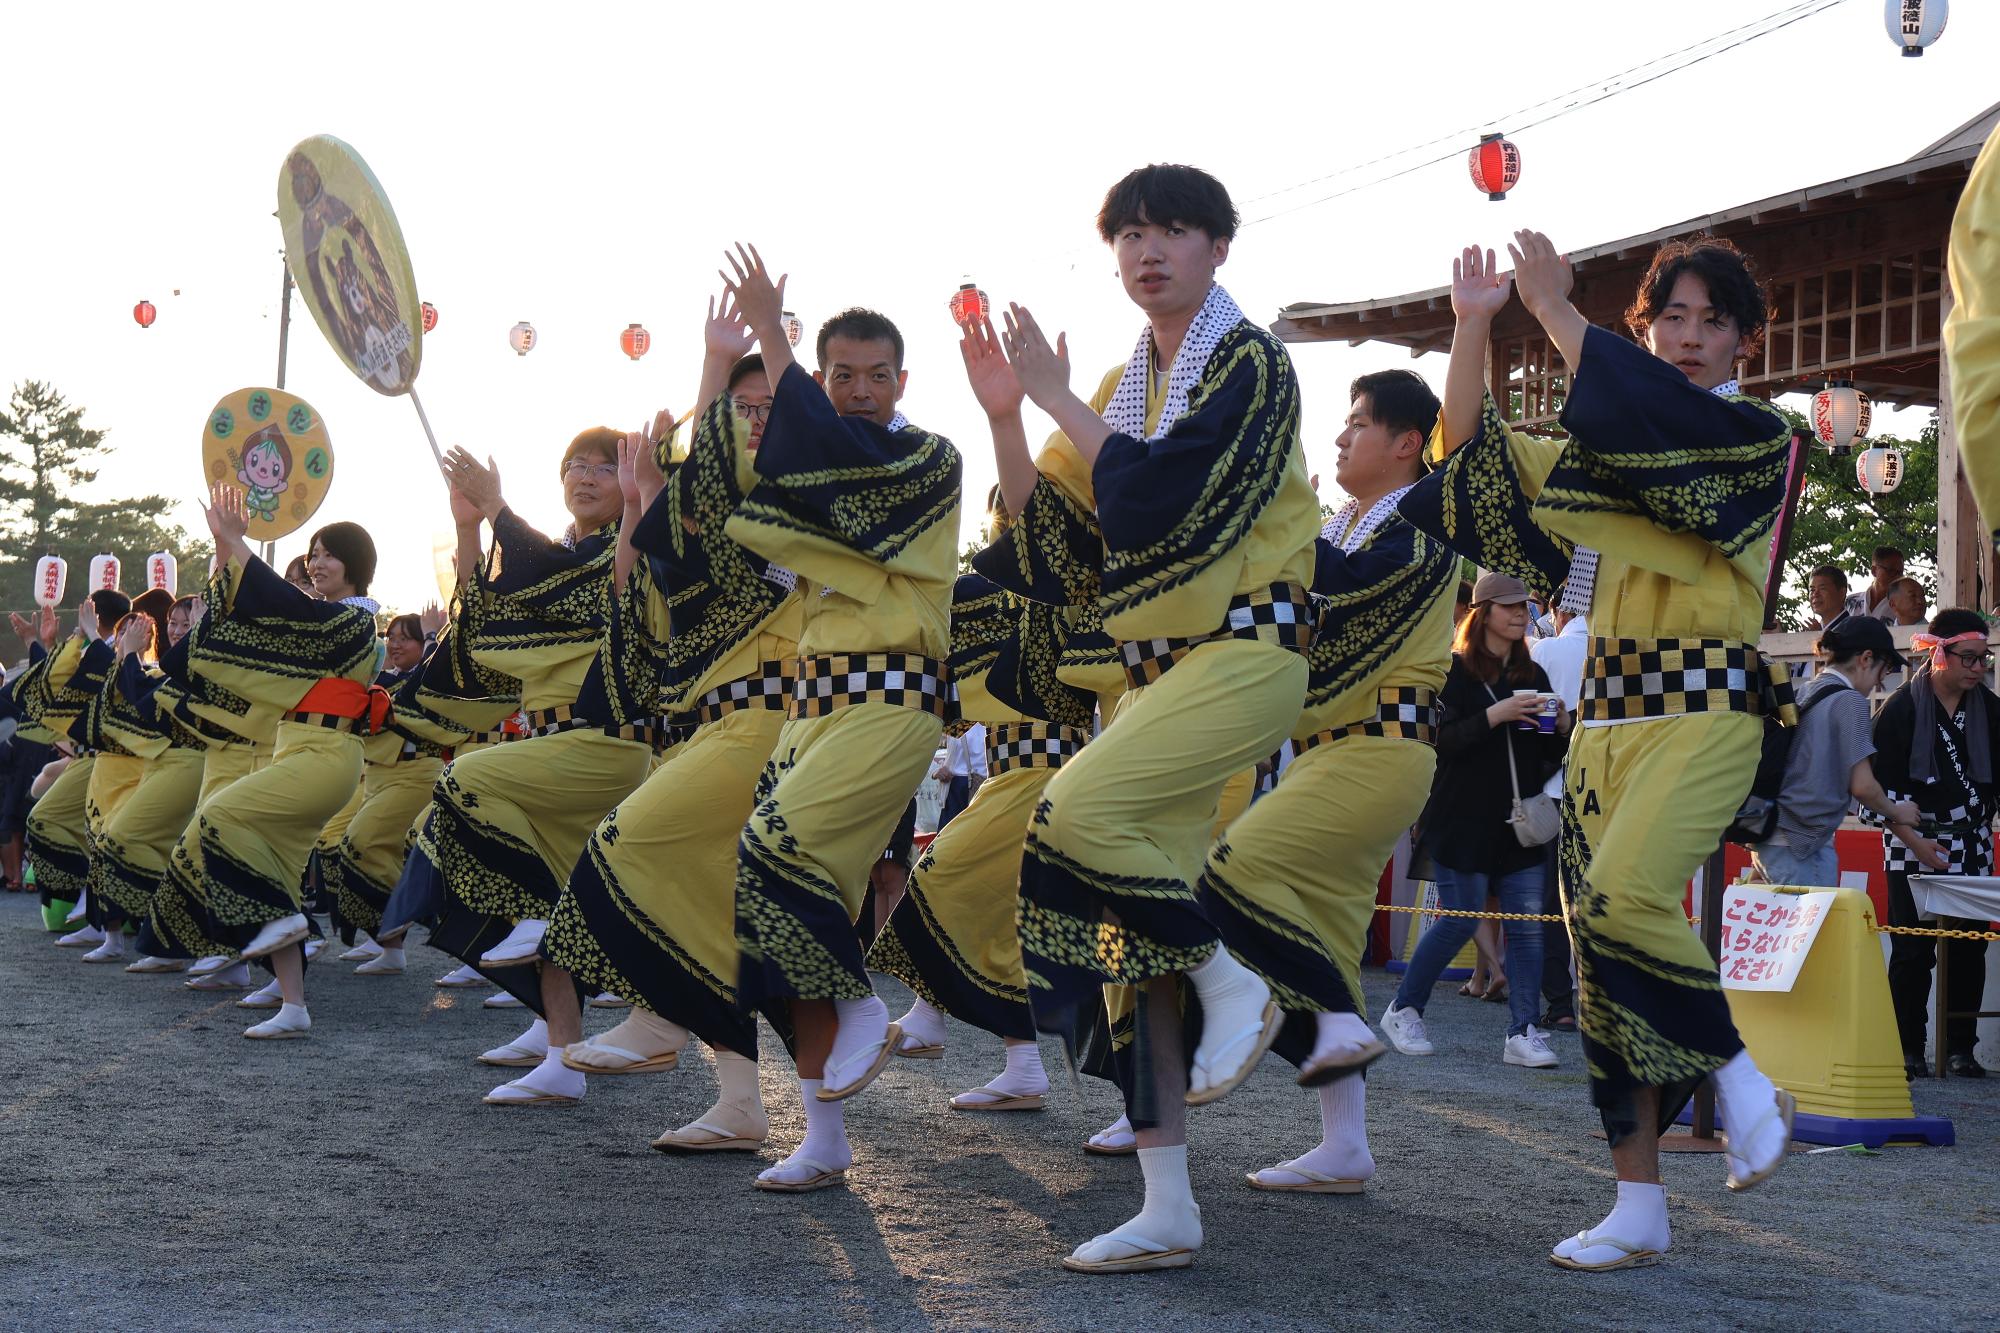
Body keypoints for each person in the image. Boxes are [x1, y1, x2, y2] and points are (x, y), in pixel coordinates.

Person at [1401, 233, 1798, 1271]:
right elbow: (1472, 460)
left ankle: (1738, 1076)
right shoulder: (1603, 458)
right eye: (1672, 317)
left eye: (1713, 321)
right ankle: (1636, 1201)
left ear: (1745, 341)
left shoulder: (1758, 436)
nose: (1690, 337)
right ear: (1644, 327)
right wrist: (1475, 325)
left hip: (1704, 707)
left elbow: (1656, 427)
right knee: (1604, 977)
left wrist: (1555, 314)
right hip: (1603, 724)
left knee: (1622, 899)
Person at [985, 163, 1318, 1272]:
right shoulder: (1135, 382)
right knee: (1131, 945)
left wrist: (1050, 398)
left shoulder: (1247, 362)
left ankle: (1234, 977)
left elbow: (1157, 494)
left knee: (1069, 813)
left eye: (1172, 229)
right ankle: (1166, 1200)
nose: (1147, 249)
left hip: (1243, 648)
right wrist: (1004, 417)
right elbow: (1052, 545)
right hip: (1155, 675)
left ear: (1218, 247)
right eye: (1128, 232)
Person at [719, 249, 962, 1193]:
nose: (860, 392)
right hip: (811, 708)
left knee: (775, 857)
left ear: (904, 381)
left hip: (891, 699)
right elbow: (745, 498)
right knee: (779, 908)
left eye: (877, 376)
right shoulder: (813, 475)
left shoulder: (925, 458)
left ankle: (866, 999)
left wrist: (776, 339)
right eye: (842, 377)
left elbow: (832, 456)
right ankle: (823, 1133)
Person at [1192, 366, 1457, 1198]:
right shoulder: (1349, 521)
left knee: (1233, 870)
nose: (1340, 437)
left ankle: (1309, 1023)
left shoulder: (1421, 523)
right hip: (1334, 751)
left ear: (1406, 443)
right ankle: (1345, 1144)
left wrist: (1283, 520)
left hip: (1379, 748)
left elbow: (1335, 593)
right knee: (1333, 946)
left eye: (1356, 424)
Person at [540, 332, 798, 1155]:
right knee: (703, 910)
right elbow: (635, 595)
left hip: (766, 715)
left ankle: (657, 1016)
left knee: (627, 843)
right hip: (701, 726)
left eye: (765, 408)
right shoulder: (694, 511)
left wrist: (717, 370)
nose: (749, 422)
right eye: (738, 410)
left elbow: (718, 524)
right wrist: (640, 495)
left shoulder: (796, 489)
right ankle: (741, 1102)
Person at [419, 424, 660, 1101]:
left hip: (601, 744)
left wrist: (499, 508)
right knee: (545, 896)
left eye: (603, 468)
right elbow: (477, 623)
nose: (584, 476)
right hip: (555, 746)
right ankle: (559, 1050)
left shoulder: (626, 549)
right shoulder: (556, 556)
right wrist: (469, 526)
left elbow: (564, 582)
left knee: (462, 785)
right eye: (574, 465)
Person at [143, 494, 383, 1038]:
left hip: (326, 756)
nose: (317, 564)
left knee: (220, 818)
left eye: (329, 556)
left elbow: (291, 610)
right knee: (277, 871)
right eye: (313, 554)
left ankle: (286, 928)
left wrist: (236, 544)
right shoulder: (321, 619)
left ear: (357, 566)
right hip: (298, 751)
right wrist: (226, 550)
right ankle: (292, 1002)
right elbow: (246, 628)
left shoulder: (355, 622)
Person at [1382, 571, 1567, 1069]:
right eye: (1508, 606)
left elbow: (1547, 756)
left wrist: (1559, 726)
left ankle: (1524, 1030)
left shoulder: (1534, 674)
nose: (1519, 613)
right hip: (1460, 818)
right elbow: (1440, 741)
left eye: (1523, 606)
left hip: (1518, 820)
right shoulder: (1453, 672)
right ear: (1483, 613)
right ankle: (1403, 1008)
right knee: (1459, 919)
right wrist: (1497, 714)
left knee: (1527, 928)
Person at [1869, 608, 1999, 1080]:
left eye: (1983, 658)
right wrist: (1916, 843)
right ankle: (1907, 1048)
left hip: (1973, 842)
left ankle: (1960, 1048)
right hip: (1911, 843)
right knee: (1912, 949)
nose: (1977, 667)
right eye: (1968, 657)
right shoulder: (1900, 708)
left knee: (1969, 947)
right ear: (1939, 654)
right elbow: (1874, 795)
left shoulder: (1989, 710)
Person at [321, 612, 453, 975]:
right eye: (391, 636)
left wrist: (432, 635)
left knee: (361, 843)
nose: (395, 643)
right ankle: (386, 940)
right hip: (376, 775)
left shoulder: (426, 677)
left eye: (405, 637)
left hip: (416, 773)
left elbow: (438, 667)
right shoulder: (379, 680)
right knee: (339, 845)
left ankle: (422, 918)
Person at [1750, 617, 1914, 888]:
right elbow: (1863, 787)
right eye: (1884, 670)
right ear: (1866, 658)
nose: (1880, 682)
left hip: (1769, 835)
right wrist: (1898, 812)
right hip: (1801, 842)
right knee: (1814, 929)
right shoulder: (1850, 702)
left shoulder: (1808, 689)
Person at [1528, 593, 1589, 1031]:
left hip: (1554, 786)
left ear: (1557, 611)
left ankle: (1560, 1003)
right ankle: (1601, 1000)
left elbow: (1539, 726)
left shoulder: (1547, 650)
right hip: (1603, 790)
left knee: (1552, 898)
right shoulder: (1615, 645)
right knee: (1603, 895)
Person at [1847, 547, 1904, 621]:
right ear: (1874, 570)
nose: (1896, 576)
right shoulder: (1851, 601)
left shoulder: (1904, 606)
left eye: (1900, 573)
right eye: (1891, 570)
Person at [1806, 565, 1851, 633]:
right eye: (1812, 590)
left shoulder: (1857, 628)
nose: (1815, 594)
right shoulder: (1816, 630)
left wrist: (1819, 636)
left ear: (1842, 593)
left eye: (1822, 588)